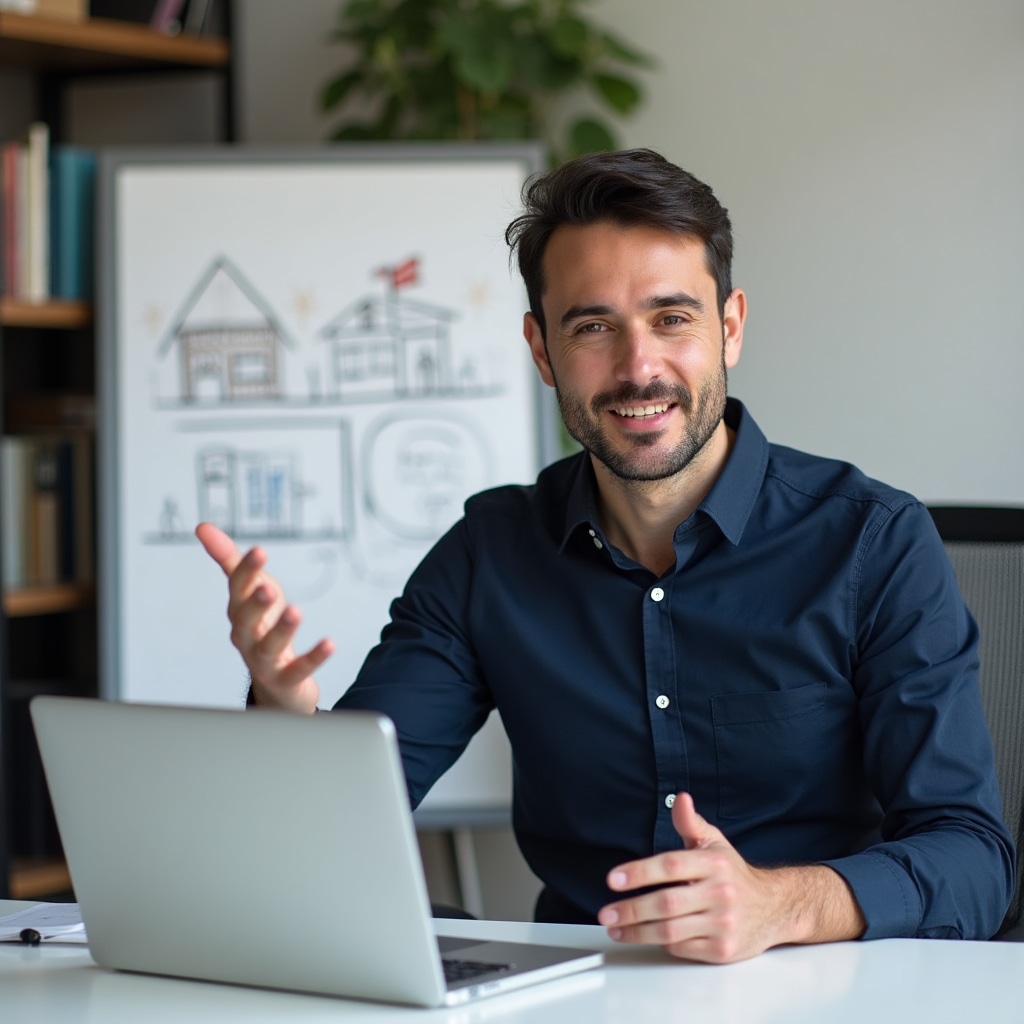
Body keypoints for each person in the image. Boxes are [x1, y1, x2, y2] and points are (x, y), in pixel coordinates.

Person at [197, 148, 1014, 964]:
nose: (637, 367)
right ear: (542, 348)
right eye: (593, 327)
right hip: (576, 991)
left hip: (828, 988)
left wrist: (780, 904)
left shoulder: (872, 543)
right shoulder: (491, 553)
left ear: (729, 326)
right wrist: (283, 712)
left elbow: (975, 862)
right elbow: (339, 830)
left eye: (672, 318)